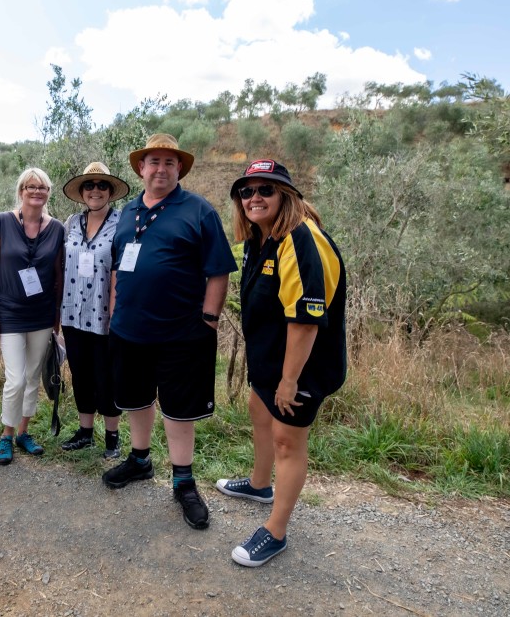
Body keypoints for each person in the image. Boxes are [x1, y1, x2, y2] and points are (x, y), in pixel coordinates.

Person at [216, 160, 347, 567]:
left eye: (265, 190)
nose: (254, 197)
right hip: (271, 360)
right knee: (259, 411)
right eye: (246, 191)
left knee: (288, 441)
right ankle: (259, 485)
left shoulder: (302, 239)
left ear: (286, 195)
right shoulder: (261, 237)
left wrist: (289, 380)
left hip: (303, 366)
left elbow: (306, 321)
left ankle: (275, 531)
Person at [103, 133, 236, 531]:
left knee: (179, 409)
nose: (160, 169)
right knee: (136, 400)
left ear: (179, 168)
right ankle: (140, 459)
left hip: (182, 334)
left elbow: (219, 270)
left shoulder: (198, 210)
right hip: (129, 330)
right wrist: (114, 313)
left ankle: (183, 481)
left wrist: (209, 320)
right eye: (154, 162)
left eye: (169, 162)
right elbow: (118, 267)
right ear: (141, 168)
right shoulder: (127, 212)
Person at [0, 168, 65, 465]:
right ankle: (6, 434)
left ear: (48, 193)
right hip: (9, 314)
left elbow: (58, 276)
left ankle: (23, 432)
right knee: (15, 379)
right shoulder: (2, 223)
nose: (36, 191)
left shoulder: (56, 229)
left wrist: (57, 315)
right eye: (31, 186)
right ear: (21, 191)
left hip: (42, 315)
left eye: (42, 187)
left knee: (32, 377)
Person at [58, 162, 129, 458]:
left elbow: (121, 270)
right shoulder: (71, 222)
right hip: (72, 313)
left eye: (102, 185)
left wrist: (115, 313)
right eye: (89, 185)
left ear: (110, 191)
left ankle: (112, 437)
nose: (95, 190)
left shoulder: (121, 223)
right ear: (82, 192)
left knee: (107, 376)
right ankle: (85, 432)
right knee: (81, 374)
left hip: (104, 316)